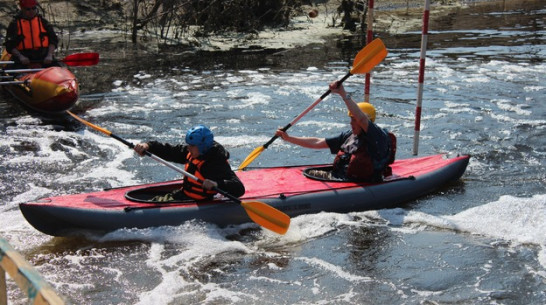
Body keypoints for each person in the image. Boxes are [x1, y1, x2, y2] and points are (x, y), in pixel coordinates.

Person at [276, 81, 396, 182]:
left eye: (353, 119)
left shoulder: (377, 136)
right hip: (339, 178)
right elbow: (317, 142)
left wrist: (342, 93)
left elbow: (361, 118)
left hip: (358, 183)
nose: (351, 122)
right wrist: (288, 138)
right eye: (350, 119)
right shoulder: (349, 136)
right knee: (305, 175)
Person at [134, 125, 245, 202]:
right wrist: (148, 146)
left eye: (192, 145)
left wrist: (217, 184)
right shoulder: (192, 152)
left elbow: (239, 188)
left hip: (199, 202)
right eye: (188, 144)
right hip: (184, 195)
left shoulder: (215, 163)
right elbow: (169, 151)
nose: (188, 148)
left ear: (202, 146)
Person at [4, 0, 59, 68]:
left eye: (33, 8)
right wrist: (20, 56)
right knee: (11, 71)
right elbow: (10, 45)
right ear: (22, 9)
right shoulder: (14, 24)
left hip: (43, 58)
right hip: (22, 59)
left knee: (59, 68)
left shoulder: (43, 21)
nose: (31, 11)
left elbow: (53, 40)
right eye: (28, 9)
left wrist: (49, 55)